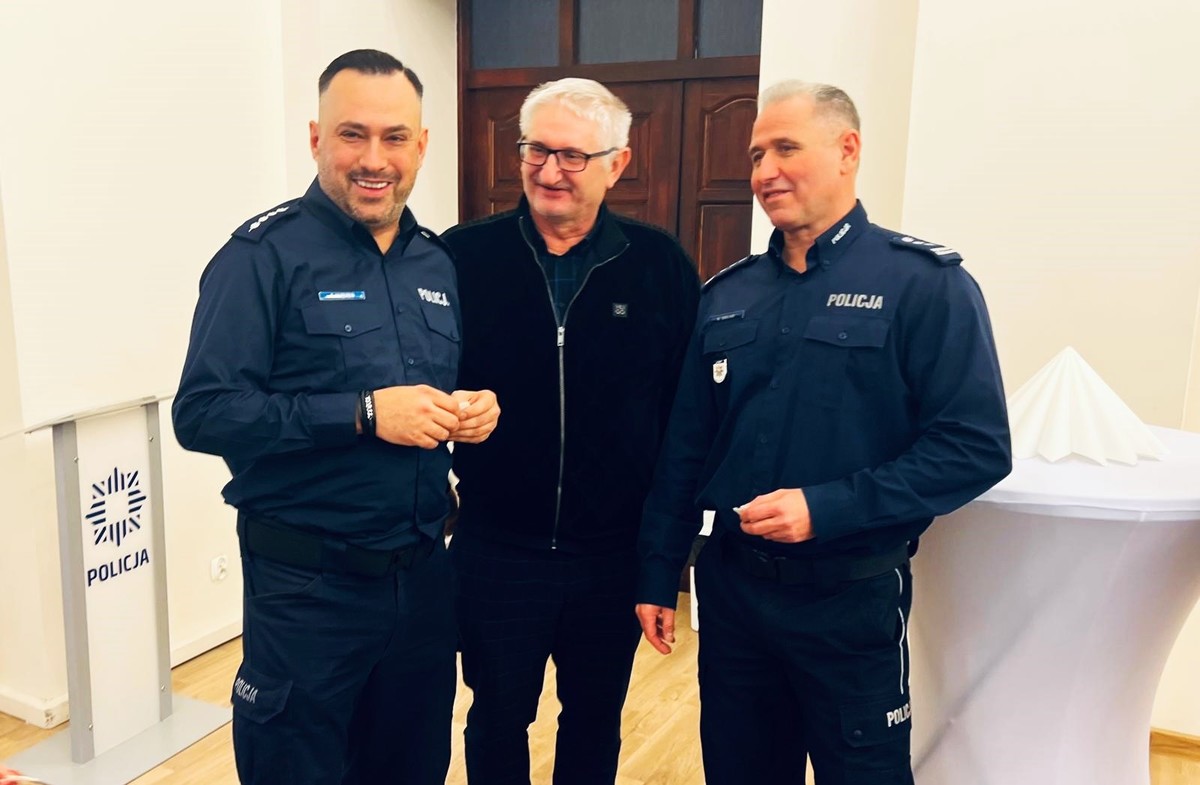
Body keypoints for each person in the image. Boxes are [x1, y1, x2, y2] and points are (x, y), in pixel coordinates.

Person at [635, 80, 1012, 784]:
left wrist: (826, 507)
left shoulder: (924, 285)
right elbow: (685, 448)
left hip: (850, 600)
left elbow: (974, 447)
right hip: (734, 596)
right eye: (756, 155)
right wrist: (658, 570)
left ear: (848, 150)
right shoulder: (728, 296)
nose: (765, 172)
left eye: (786, 148)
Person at [172, 49, 499, 785]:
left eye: (395, 137)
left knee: (412, 768)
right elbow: (204, 413)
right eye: (354, 134)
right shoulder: (261, 257)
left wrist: (473, 410)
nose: (374, 159)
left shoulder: (434, 263)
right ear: (318, 138)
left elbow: (434, 390)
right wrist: (361, 414)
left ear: (422, 145)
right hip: (306, 592)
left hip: (421, 582)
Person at [441, 78, 700, 785]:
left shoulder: (659, 267)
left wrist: (665, 560)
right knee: (495, 717)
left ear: (618, 164)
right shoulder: (462, 257)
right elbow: (421, 382)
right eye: (537, 150)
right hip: (497, 550)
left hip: (611, 556)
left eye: (573, 156)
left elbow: (685, 423)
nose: (550, 171)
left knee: (593, 718)